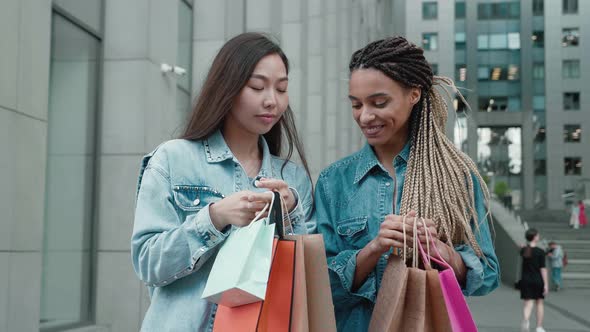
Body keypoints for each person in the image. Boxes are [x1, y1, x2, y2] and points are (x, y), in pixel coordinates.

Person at [313, 36, 499, 332]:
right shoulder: (333, 181)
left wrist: (442, 252)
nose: (365, 116)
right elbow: (319, 289)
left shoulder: (457, 176)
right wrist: (374, 248)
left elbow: (487, 275)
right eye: (356, 105)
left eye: (379, 102)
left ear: (414, 94)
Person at [131, 32, 313, 331]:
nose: (272, 101)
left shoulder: (292, 179)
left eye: (281, 89)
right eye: (257, 86)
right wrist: (213, 219)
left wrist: (289, 213)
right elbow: (148, 263)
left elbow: (307, 278)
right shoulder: (173, 160)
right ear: (226, 88)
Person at [519, 229, 548, 332]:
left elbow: (524, 250)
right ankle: (539, 327)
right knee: (539, 303)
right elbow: (543, 269)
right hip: (537, 280)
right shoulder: (540, 252)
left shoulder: (524, 251)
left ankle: (526, 320)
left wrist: (523, 247)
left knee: (528, 303)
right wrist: (546, 284)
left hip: (526, 280)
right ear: (535, 237)